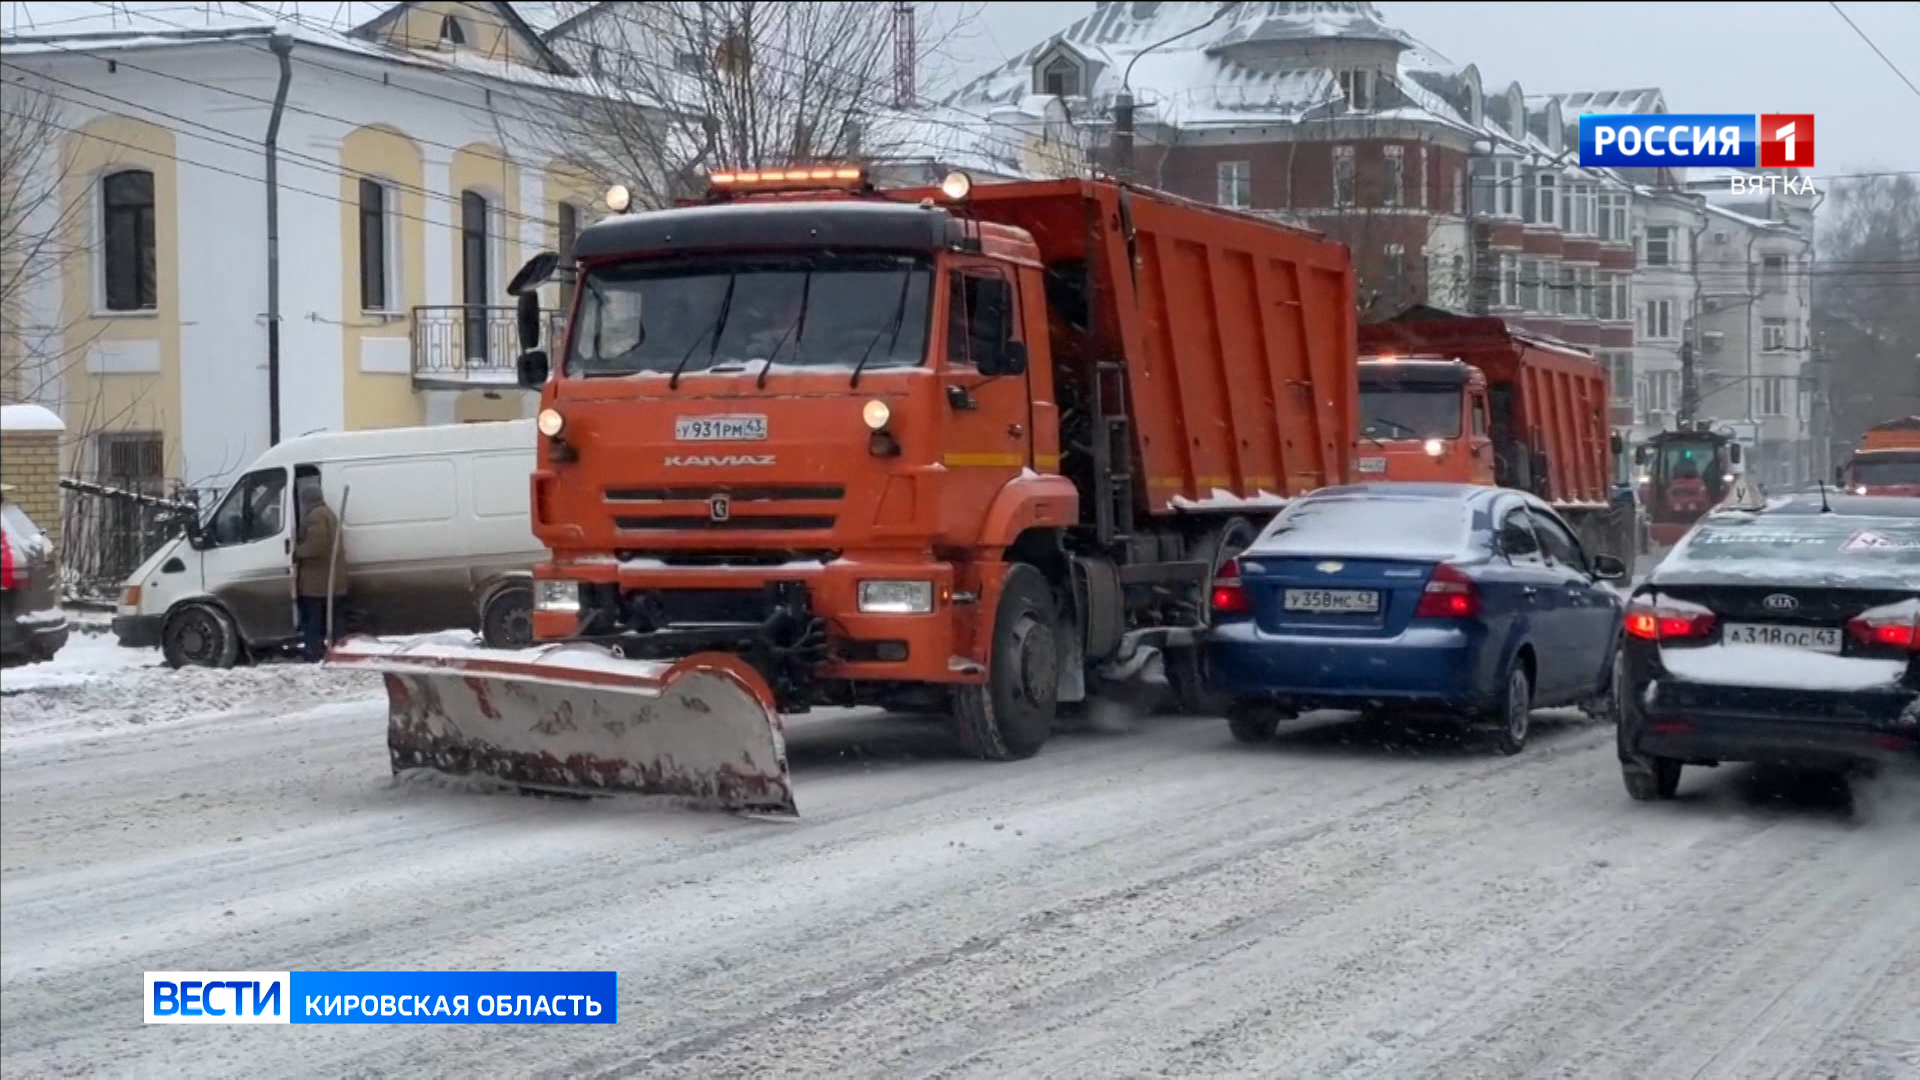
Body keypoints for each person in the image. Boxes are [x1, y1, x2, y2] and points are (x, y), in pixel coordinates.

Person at [292, 483, 348, 662]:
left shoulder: (315, 516)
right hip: (330, 580)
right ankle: (331, 649)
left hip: (317, 583)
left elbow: (316, 546)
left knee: (313, 621)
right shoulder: (328, 513)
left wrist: (295, 551)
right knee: (330, 620)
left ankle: (313, 652)